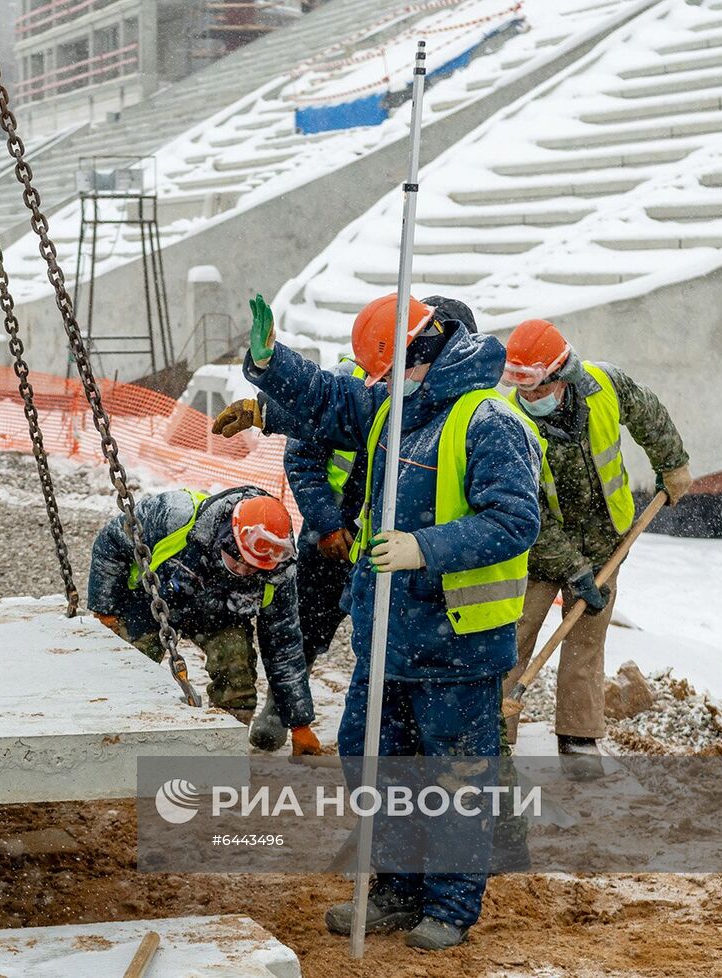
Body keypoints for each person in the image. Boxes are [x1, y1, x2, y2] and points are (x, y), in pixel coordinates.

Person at [213, 293, 541, 951]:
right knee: (373, 761)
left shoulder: (488, 421)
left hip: (459, 642)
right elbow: (330, 399)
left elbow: (515, 521)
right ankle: (396, 887)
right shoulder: (398, 404)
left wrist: (428, 547)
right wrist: (269, 364)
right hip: (388, 635)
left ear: (423, 356)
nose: (376, 387)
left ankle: (448, 905)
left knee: (454, 777)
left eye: (384, 371)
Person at [249, 296, 480, 754]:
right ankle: (283, 706)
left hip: (400, 549)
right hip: (331, 535)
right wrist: (329, 525)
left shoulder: (464, 412)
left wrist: (422, 546)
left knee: (384, 643)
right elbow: (308, 445)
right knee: (306, 625)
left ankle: (398, 739)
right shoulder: (368, 383)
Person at [499, 319, 691, 777]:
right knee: (514, 634)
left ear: (561, 373)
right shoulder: (508, 423)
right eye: (521, 388)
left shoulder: (605, 385)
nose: (529, 397)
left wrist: (673, 463)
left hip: (608, 539)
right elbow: (528, 512)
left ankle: (579, 737)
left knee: (587, 636)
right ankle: (493, 736)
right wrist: (570, 566)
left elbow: (648, 413)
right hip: (538, 551)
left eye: (536, 386)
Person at [87, 486, 322, 755]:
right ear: (226, 537)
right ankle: (116, 742)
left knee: (238, 681)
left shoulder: (277, 575)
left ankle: (223, 754)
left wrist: (300, 724)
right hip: (150, 602)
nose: (244, 572)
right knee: (128, 675)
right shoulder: (175, 515)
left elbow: (285, 647)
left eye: (252, 570)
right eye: (237, 563)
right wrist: (105, 610)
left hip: (220, 616)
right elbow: (109, 544)